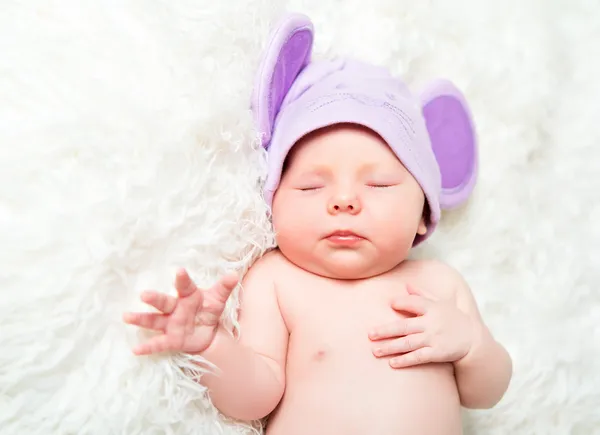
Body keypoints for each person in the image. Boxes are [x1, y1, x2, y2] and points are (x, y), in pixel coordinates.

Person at [123, 13, 512, 435]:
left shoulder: (439, 284)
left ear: (423, 215)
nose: (344, 201)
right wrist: (212, 346)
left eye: (379, 184)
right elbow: (254, 398)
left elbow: (486, 393)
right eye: (311, 187)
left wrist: (472, 345)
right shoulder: (278, 280)